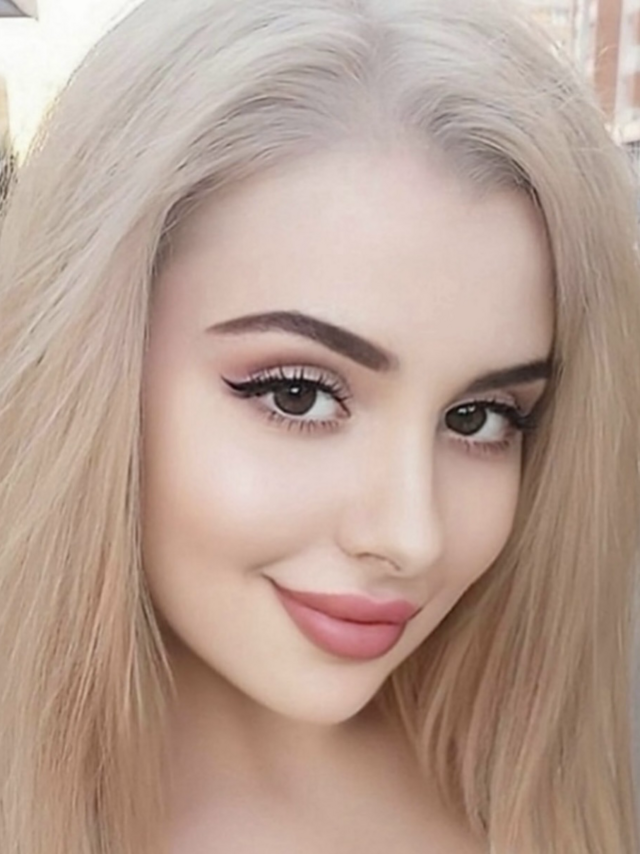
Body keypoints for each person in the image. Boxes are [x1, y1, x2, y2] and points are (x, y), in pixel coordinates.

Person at [0, 0, 638, 852]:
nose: (409, 536)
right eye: (298, 396)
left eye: (479, 417)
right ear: (91, 369)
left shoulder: (548, 779)